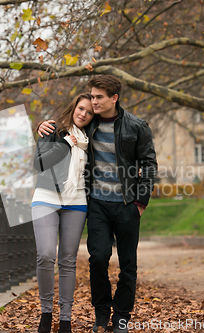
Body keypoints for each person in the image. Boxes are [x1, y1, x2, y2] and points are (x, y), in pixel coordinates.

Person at [38, 75, 158, 333]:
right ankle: (102, 315)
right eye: (91, 97)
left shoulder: (136, 126)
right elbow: (64, 129)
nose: (93, 102)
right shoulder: (87, 127)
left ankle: (122, 317)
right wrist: (42, 126)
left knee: (128, 263)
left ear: (114, 98)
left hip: (127, 204)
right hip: (97, 204)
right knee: (98, 259)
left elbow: (149, 165)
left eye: (98, 97)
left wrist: (141, 202)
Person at [32, 93, 95, 333]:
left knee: (68, 260)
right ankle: (46, 312)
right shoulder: (52, 130)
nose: (83, 114)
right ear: (74, 107)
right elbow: (39, 164)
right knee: (46, 254)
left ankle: (66, 319)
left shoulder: (91, 139)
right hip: (46, 198)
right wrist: (66, 144)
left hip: (77, 201)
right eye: (81, 109)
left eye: (89, 112)